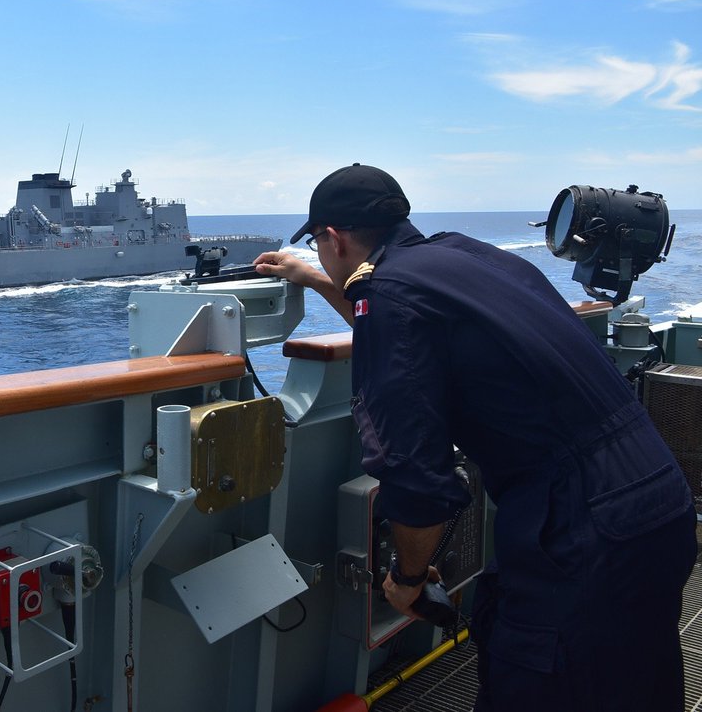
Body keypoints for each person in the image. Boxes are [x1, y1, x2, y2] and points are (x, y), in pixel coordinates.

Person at [254, 164, 697, 711]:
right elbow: (404, 317)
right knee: (636, 679)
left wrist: (408, 578)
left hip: (583, 530)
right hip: (656, 499)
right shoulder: (468, 254)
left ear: (333, 238)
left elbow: (416, 475)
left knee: (537, 685)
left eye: (319, 249)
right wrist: (316, 278)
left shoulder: (389, 297)